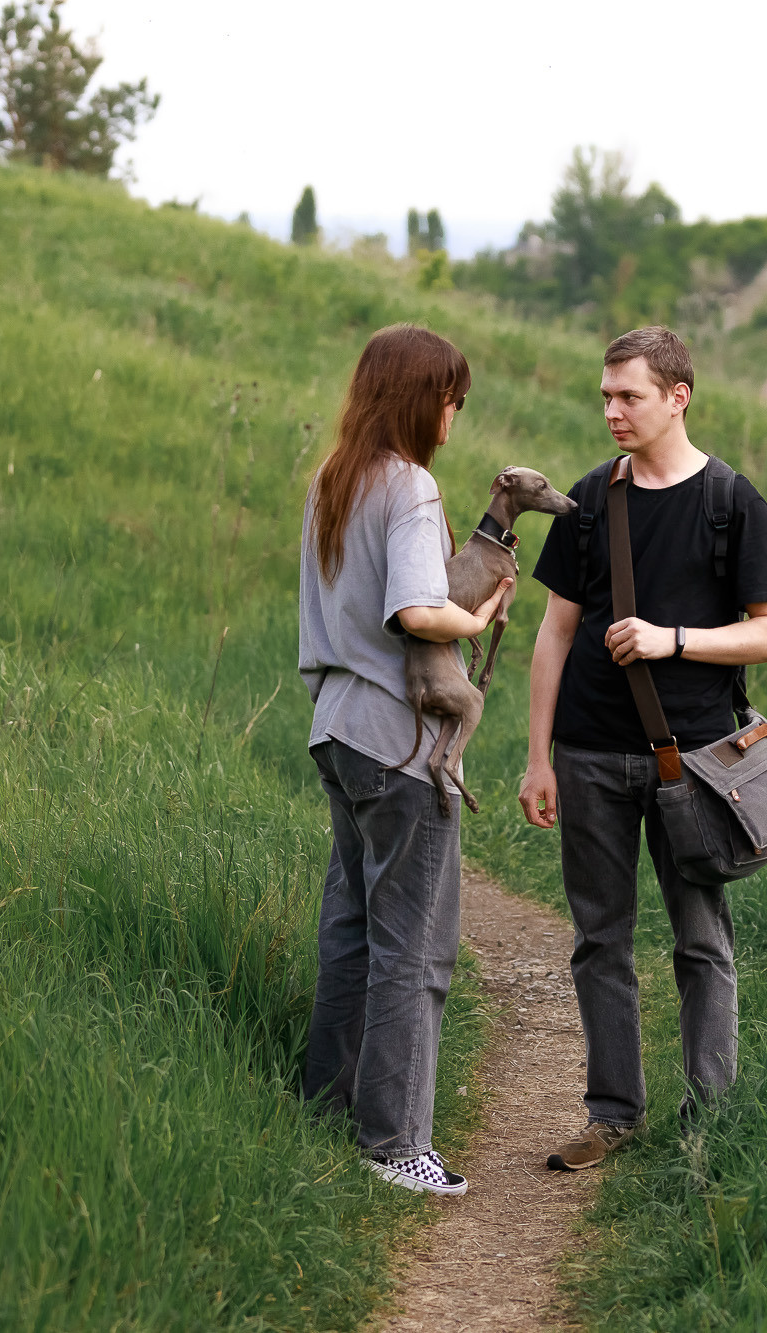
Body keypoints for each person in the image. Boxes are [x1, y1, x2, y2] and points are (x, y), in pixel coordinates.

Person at [517, 326, 767, 1171]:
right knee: (599, 939)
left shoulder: (731, 501)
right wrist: (538, 756)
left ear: (678, 396)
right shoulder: (588, 500)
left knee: (701, 939)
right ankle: (612, 1116)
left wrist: (674, 640)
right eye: (605, 395)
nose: (612, 410)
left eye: (628, 395)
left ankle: (710, 1118)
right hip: (590, 754)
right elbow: (554, 633)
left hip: (697, 761)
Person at [298, 324, 510, 1195]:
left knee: (350, 929)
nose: (456, 410)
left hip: (336, 728)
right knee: (415, 948)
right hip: (399, 738)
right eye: (452, 395)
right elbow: (419, 611)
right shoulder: (412, 485)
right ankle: (395, 1147)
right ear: (424, 397)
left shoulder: (333, 479)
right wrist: (481, 614)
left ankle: (323, 1108)